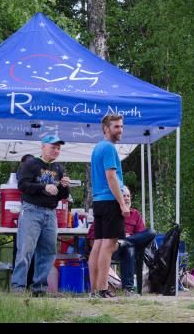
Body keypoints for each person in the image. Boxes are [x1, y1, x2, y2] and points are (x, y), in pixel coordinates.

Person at [11, 135, 70, 297]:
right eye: (53, 147)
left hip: (51, 213)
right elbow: (22, 185)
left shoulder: (59, 168)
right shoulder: (31, 164)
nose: (56, 151)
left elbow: (61, 196)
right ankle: (18, 287)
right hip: (31, 210)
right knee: (25, 250)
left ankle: (40, 289)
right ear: (43, 147)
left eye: (58, 148)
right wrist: (44, 186)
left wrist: (64, 187)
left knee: (48, 251)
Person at [89, 114, 129, 299]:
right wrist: (122, 203)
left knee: (98, 244)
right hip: (110, 201)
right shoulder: (109, 148)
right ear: (106, 128)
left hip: (98, 201)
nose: (120, 130)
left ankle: (95, 288)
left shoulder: (97, 147)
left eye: (121, 126)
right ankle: (103, 288)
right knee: (109, 245)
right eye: (116, 127)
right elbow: (111, 176)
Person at [87, 186, 154, 295]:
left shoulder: (135, 214)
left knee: (150, 233)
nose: (127, 198)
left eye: (128, 196)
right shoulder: (108, 214)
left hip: (128, 246)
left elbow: (141, 235)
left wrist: (126, 239)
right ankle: (128, 289)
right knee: (129, 247)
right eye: (124, 196)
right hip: (111, 248)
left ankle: (125, 241)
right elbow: (92, 240)